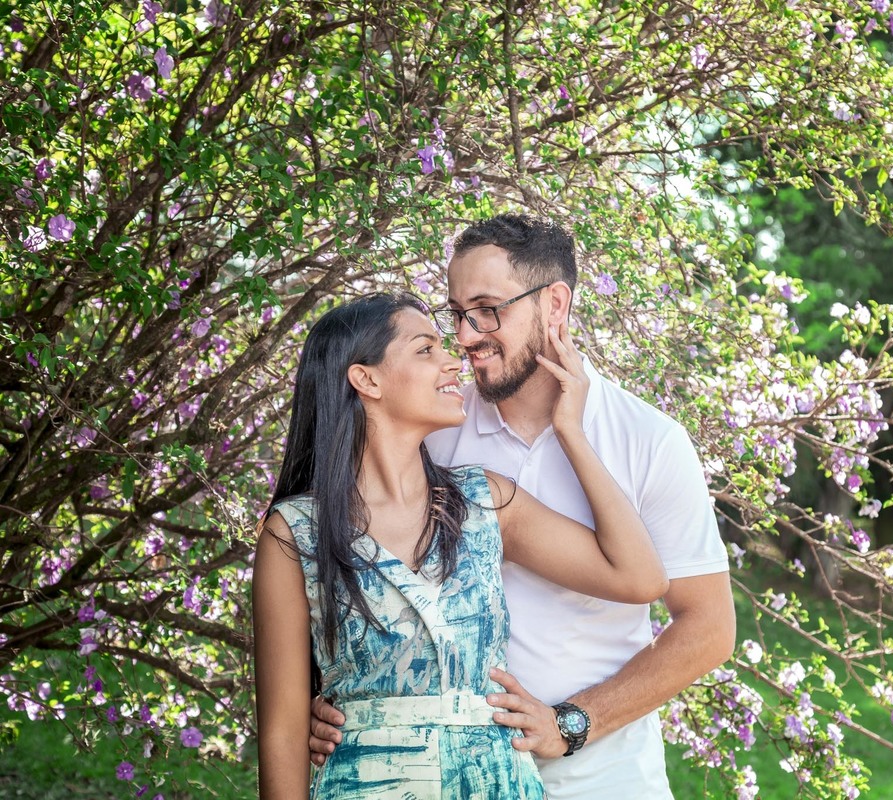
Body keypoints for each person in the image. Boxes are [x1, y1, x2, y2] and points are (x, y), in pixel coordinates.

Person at [310, 215, 737, 798]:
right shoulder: (433, 427)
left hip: (605, 779)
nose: (465, 335)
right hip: (455, 780)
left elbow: (708, 627)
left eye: (487, 309)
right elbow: (338, 566)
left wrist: (572, 723)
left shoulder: (648, 439)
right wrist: (333, 695)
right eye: (457, 314)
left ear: (554, 304)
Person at [253, 292, 669, 799]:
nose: (454, 360)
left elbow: (641, 578)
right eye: (426, 349)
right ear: (367, 379)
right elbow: (284, 732)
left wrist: (570, 431)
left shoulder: (486, 501)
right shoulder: (293, 533)